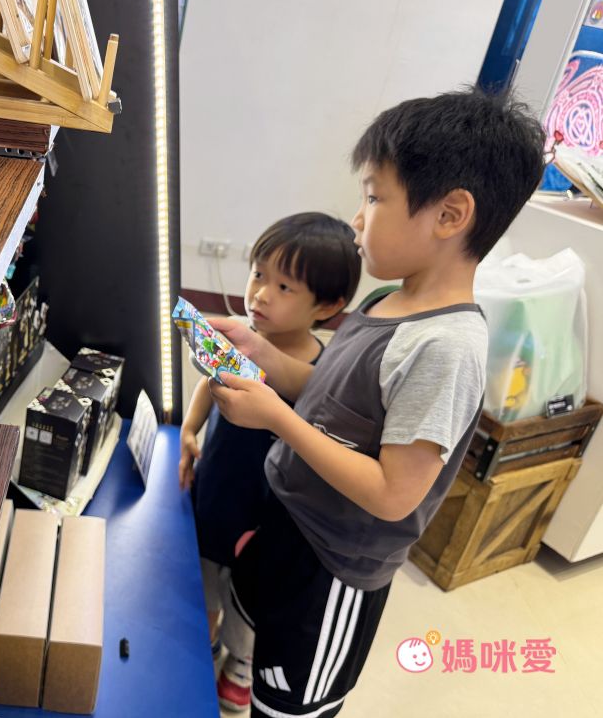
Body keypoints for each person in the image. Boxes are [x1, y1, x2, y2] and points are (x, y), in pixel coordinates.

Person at [208, 87, 545, 718]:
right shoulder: (385, 301)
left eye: (373, 197)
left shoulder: (446, 348)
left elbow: (394, 493)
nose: (358, 220)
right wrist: (263, 355)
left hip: (331, 572)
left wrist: (276, 417)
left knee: (288, 706)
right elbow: (327, 396)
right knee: (250, 648)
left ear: (450, 214)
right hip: (287, 527)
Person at [179, 213, 361, 713]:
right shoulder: (240, 338)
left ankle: (240, 664)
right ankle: (202, 647)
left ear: (327, 305)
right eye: (258, 274)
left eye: (284, 287)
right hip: (215, 489)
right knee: (203, 585)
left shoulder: (319, 373)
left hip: (264, 516)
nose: (260, 293)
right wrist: (190, 430)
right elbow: (208, 383)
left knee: (247, 605)